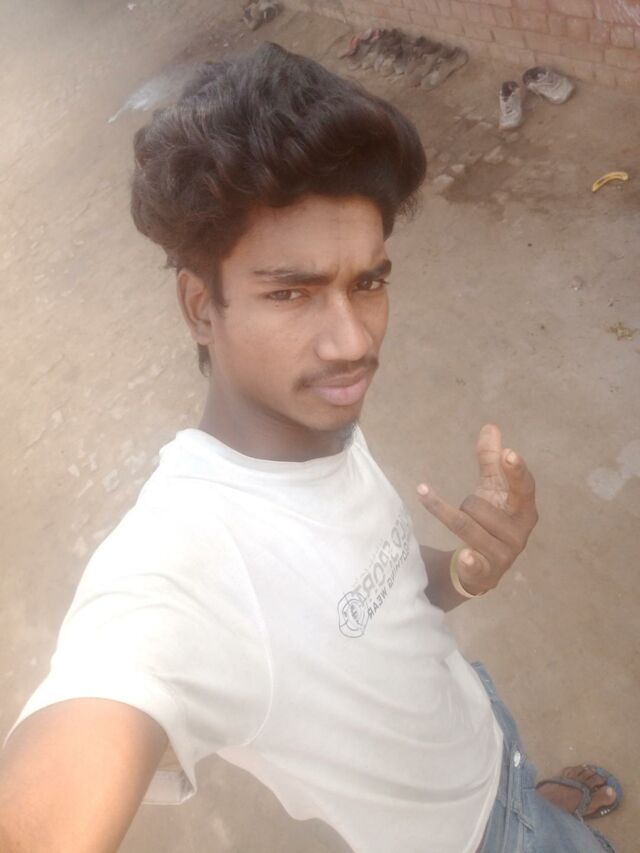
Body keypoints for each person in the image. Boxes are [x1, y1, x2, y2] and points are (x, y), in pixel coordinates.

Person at [0, 43, 621, 853]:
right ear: (200, 306)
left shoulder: (312, 423)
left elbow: (378, 586)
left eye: (368, 282)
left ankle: (529, 792)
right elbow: (68, 764)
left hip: (477, 724)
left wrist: (470, 572)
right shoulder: (185, 567)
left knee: (510, 764)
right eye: (291, 291)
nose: (353, 340)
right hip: (472, 837)